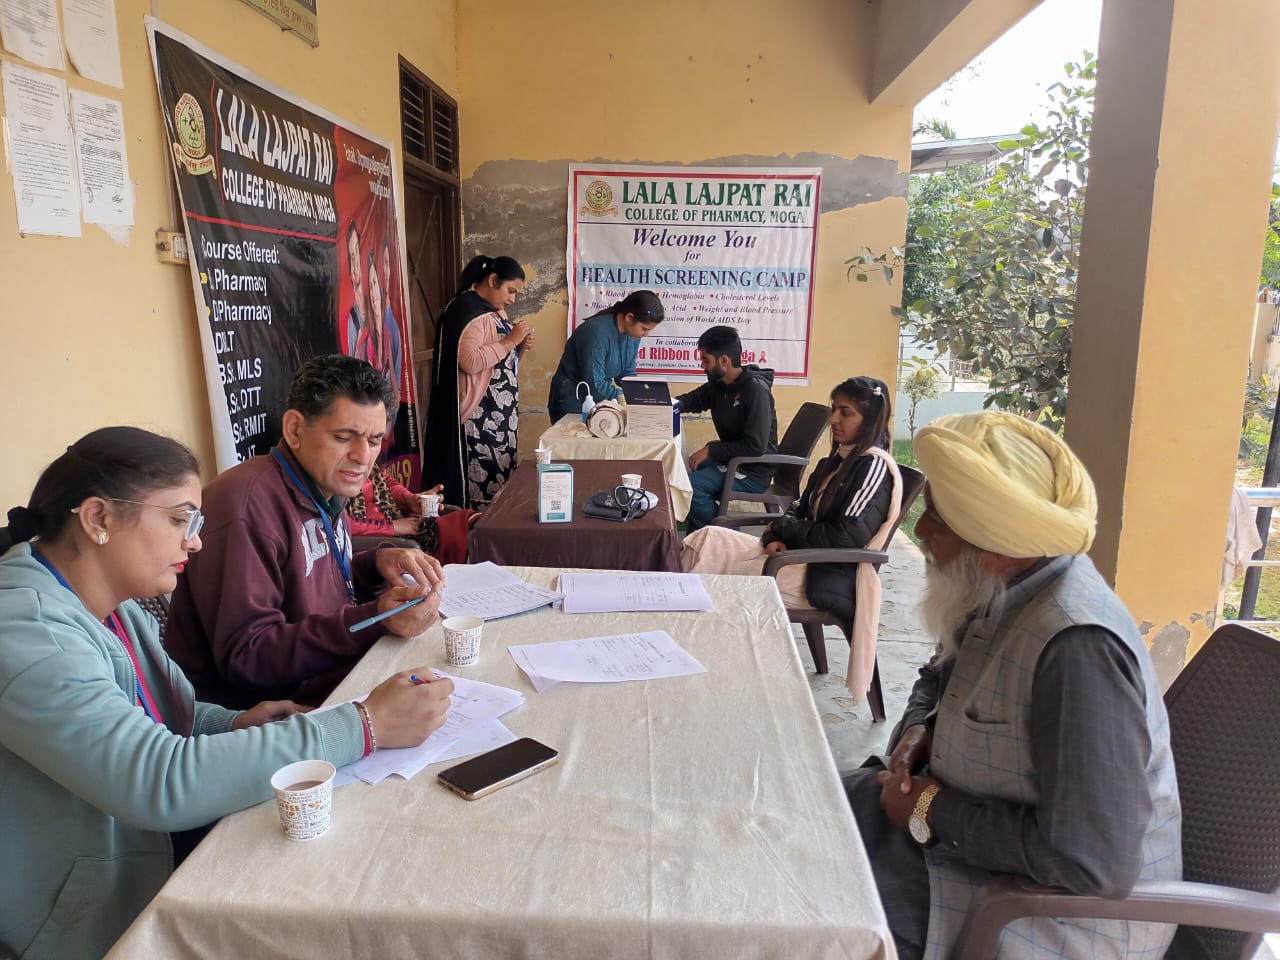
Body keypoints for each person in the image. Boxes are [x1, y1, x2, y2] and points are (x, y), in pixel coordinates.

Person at [0, 427, 453, 960]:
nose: (194, 541)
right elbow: (157, 778)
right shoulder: (28, 633)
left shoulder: (104, 600)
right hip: (92, 918)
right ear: (99, 518)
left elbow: (158, 714)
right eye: (179, 520)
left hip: (151, 856)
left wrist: (230, 723)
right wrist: (364, 725)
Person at [843, 411, 1181, 960]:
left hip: (1049, 919)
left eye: (938, 519)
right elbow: (937, 675)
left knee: (808, 908)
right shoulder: (1005, 583)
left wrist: (932, 812)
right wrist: (921, 728)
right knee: (804, 808)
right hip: (968, 855)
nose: (920, 531)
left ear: (998, 545)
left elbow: (1093, 861)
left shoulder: (1077, 650)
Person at [164, 355, 446, 709]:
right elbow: (248, 656)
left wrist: (376, 564)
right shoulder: (244, 507)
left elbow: (314, 583)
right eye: (344, 437)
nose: (363, 457)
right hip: (269, 714)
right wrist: (375, 619)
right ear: (295, 430)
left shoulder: (324, 486)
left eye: (375, 440)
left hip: (331, 677)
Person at [681, 376, 901, 696]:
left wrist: (784, 531)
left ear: (870, 419)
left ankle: (694, 653)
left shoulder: (873, 468)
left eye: (846, 412)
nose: (834, 419)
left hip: (824, 576)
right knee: (707, 539)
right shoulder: (837, 461)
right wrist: (774, 536)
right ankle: (688, 649)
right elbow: (798, 508)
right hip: (795, 558)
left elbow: (845, 537)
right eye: (834, 409)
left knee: (708, 567)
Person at [422, 254, 531, 508]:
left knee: (501, 480)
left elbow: (501, 365)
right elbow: (470, 361)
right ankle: (476, 528)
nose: (512, 299)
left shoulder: (493, 313)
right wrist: (510, 341)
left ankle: (494, 524)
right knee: (482, 482)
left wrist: (520, 348)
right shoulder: (469, 311)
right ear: (493, 280)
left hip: (499, 415)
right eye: (510, 291)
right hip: (479, 418)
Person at [675, 324, 779, 530]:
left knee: (690, 487)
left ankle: (727, 535)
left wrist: (710, 450)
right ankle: (702, 539)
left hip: (752, 471)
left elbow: (755, 446)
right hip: (732, 462)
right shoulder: (719, 385)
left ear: (724, 360)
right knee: (684, 470)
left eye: (706, 360)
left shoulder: (755, 391)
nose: (702, 366)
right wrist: (662, 404)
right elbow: (691, 400)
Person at [546, 290, 664, 422]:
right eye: (644, 329)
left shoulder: (633, 335)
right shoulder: (596, 332)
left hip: (599, 399)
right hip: (572, 399)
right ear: (629, 317)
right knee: (574, 435)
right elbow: (593, 382)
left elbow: (626, 374)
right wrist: (621, 396)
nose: (646, 334)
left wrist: (641, 393)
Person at [347, 464, 476, 565]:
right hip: (377, 542)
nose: (365, 451)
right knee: (454, 536)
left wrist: (409, 500)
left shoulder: (366, 457)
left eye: (373, 441)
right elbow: (339, 525)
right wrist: (392, 527)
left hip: (403, 523)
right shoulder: (337, 472)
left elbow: (384, 481)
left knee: (463, 522)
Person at [354, 248, 402, 401]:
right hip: (371, 401)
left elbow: (391, 365)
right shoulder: (365, 338)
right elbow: (364, 386)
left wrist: (396, 390)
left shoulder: (387, 330)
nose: (373, 293)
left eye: (375, 283)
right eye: (370, 285)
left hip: (384, 399)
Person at [343, 222, 365, 352]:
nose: (355, 260)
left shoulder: (375, 304)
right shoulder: (352, 322)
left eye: (357, 250)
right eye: (352, 255)